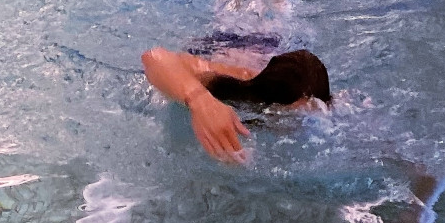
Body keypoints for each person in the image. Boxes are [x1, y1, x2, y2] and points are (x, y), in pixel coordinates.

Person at [141, 44, 331, 161]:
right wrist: (200, 100)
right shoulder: (230, 82)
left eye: (304, 117)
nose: (292, 126)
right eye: (286, 115)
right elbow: (154, 57)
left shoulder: (324, 105)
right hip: (226, 45)